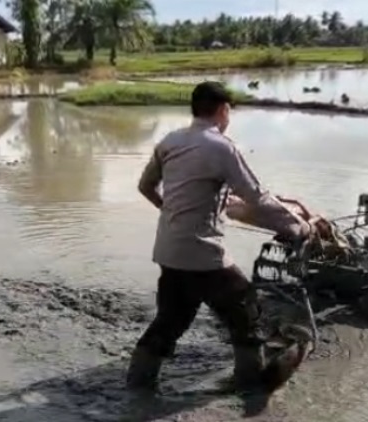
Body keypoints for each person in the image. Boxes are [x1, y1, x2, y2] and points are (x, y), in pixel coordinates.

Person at [127, 81, 315, 394]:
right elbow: (257, 197)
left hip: (168, 250)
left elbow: (146, 187)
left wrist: (171, 211)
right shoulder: (222, 147)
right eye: (229, 111)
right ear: (223, 110)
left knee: (172, 319)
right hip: (203, 253)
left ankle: (137, 383)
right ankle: (249, 381)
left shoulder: (170, 142)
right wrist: (298, 227)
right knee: (245, 308)